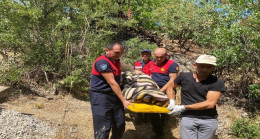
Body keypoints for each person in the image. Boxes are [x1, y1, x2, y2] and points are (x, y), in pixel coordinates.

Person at [167, 54, 226, 139]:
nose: (205, 69)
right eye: (202, 66)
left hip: (208, 119)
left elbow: (210, 104)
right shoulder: (184, 77)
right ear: (195, 65)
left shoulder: (216, 82)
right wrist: (172, 101)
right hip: (188, 117)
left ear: (213, 68)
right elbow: (170, 87)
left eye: (209, 67)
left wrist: (183, 107)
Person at [89, 42, 131, 139]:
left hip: (114, 96)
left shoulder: (116, 61)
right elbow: (112, 82)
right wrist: (123, 100)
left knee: (119, 125)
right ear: (107, 51)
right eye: (116, 52)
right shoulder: (102, 62)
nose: (119, 55)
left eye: (121, 53)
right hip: (101, 97)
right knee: (103, 128)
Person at [147, 47, 179, 138]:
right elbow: (150, 75)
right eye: (157, 57)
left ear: (166, 55)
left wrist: (161, 91)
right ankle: (158, 131)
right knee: (152, 111)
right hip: (153, 89)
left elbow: (172, 81)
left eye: (161, 57)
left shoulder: (172, 64)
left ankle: (163, 126)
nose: (159, 59)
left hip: (167, 90)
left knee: (165, 111)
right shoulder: (151, 63)